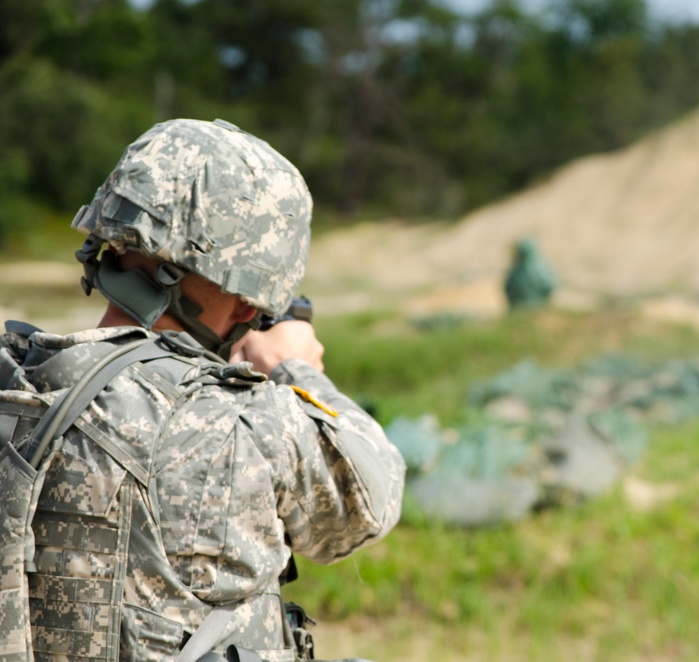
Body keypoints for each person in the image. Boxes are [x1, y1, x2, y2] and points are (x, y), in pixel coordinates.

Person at [0, 119, 406, 662]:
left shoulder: (15, 376)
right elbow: (369, 504)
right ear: (245, 305)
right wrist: (294, 365)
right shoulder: (243, 423)